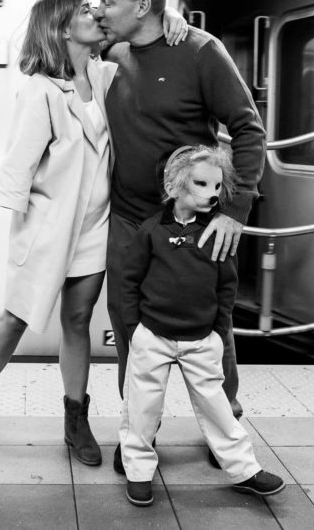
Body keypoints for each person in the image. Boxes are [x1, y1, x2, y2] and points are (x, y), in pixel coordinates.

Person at [0, 0, 188, 467]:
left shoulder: (105, 75)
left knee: (77, 321)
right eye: (85, 10)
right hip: (45, 227)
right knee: (16, 317)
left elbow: (142, 37)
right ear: (62, 28)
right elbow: (18, 162)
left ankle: (75, 418)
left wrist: (174, 19)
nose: (95, 12)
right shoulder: (40, 90)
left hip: (95, 227)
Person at [95, 0, 266, 473]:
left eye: (109, 2)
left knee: (213, 324)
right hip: (130, 219)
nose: (100, 10)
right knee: (129, 325)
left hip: (194, 220)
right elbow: (65, 32)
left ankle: (226, 426)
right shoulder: (114, 48)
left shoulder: (200, 51)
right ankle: (137, 438)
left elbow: (248, 130)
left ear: (144, 5)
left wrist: (233, 211)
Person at [118, 145, 284, 506]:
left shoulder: (217, 233)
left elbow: (228, 284)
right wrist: (136, 330)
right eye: (201, 183)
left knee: (218, 407)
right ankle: (139, 472)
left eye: (216, 186)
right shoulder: (151, 231)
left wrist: (217, 329)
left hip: (201, 338)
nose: (212, 193)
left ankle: (245, 469)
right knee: (141, 408)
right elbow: (128, 282)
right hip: (153, 337)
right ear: (174, 185)